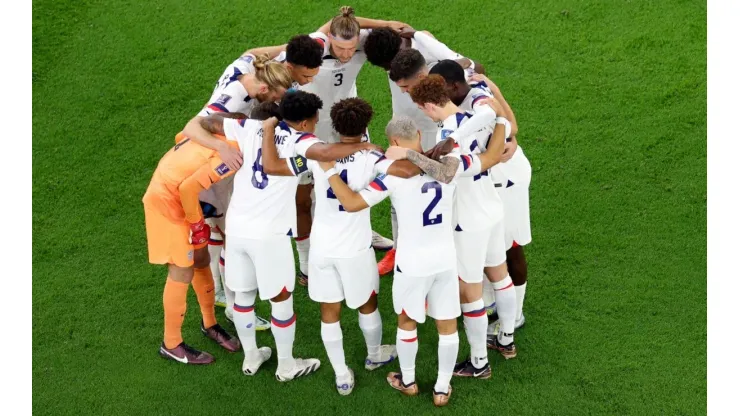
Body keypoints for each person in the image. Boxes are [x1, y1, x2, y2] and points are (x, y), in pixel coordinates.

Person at [316, 113, 503, 407]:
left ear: (393, 142)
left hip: (411, 263)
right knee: (447, 324)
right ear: (418, 132)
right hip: (444, 258)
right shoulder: (451, 164)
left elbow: (352, 203)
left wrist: (329, 171)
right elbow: (491, 157)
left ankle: (408, 380)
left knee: (406, 320)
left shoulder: (391, 177)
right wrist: (502, 120)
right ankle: (442, 388)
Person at [197, 91, 379, 380]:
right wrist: (368, 145)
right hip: (270, 235)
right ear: (306, 122)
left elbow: (204, 123)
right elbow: (327, 154)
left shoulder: (251, 126)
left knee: (243, 296)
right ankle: (286, 365)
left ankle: (251, 357)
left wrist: (222, 148)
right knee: (280, 298)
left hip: (237, 227)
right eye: (315, 120)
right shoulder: (302, 141)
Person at [410, 74, 518, 359]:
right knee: (500, 274)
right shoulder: (477, 116)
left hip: (466, 221)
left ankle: (479, 361)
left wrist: (411, 156)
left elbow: (446, 173)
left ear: (429, 106)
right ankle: (507, 339)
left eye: (422, 108)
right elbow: (498, 117)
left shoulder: (446, 135)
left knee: (470, 292)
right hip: (492, 208)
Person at [294, 6, 403, 285]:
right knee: (305, 193)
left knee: (358, 183)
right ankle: (306, 260)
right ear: (330, 37)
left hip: (347, 121)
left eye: (350, 48)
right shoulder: (316, 46)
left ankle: (364, 234)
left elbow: (390, 32)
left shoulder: (362, 40)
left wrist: (385, 21)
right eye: (340, 48)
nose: (345, 55)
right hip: (312, 125)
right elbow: (327, 26)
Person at [363, 27, 482, 276]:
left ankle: (449, 250)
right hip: (404, 134)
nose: (403, 89)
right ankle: (399, 248)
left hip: (436, 135)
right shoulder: (399, 63)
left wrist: (461, 65)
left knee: (440, 192)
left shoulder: (427, 52)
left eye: (406, 85)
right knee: (399, 191)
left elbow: (476, 68)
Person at [428, 61, 532, 336]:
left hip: (508, 177)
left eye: (440, 90)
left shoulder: (477, 95)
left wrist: (454, 138)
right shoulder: (463, 95)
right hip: (488, 175)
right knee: (491, 248)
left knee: (511, 245)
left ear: (453, 86)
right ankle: (493, 306)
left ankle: (515, 314)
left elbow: (503, 120)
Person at [306, 98, 400, 395]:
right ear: (366, 127)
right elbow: (396, 170)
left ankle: (341, 374)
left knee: (328, 310)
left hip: (321, 246)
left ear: (333, 125)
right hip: (356, 248)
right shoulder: (374, 158)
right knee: (367, 302)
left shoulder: (317, 154)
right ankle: (375, 354)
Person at [142, 125, 243, 365]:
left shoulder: (224, 134)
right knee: (182, 269)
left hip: (185, 199)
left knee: (201, 260)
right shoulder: (233, 155)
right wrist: (197, 226)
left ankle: (209, 324)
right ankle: (171, 344)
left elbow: (181, 136)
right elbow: (187, 188)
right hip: (167, 204)